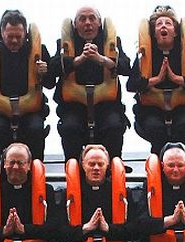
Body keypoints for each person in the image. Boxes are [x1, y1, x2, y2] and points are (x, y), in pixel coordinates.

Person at [0, 9, 55, 163]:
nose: (14, 41)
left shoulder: (39, 51)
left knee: (36, 129)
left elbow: (50, 84)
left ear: (25, 35)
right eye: (10, 37)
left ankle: (36, 173)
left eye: (18, 37)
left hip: (30, 111)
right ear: (2, 34)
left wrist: (45, 72)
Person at [49, 6, 131, 161]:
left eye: (92, 18)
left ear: (99, 23)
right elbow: (52, 69)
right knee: (69, 127)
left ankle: (113, 169)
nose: (87, 23)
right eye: (82, 19)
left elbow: (127, 67)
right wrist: (78, 60)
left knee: (114, 126)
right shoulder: (65, 43)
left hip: (106, 106)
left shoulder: (112, 42)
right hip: (74, 106)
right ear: (75, 25)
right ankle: (72, 168)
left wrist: (101, 59)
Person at [127, 6, 185, 155]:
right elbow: (131, 85)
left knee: (184, 125)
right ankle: (157, 162)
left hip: (183, 108)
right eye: (159, 24)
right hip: (152, 109)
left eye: (168, 23)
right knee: (154, 127)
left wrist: (176, 79)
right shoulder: (144, 58)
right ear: (154, 33)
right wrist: (156, 80)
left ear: (175, 32)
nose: (163, 26)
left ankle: (180, 160)